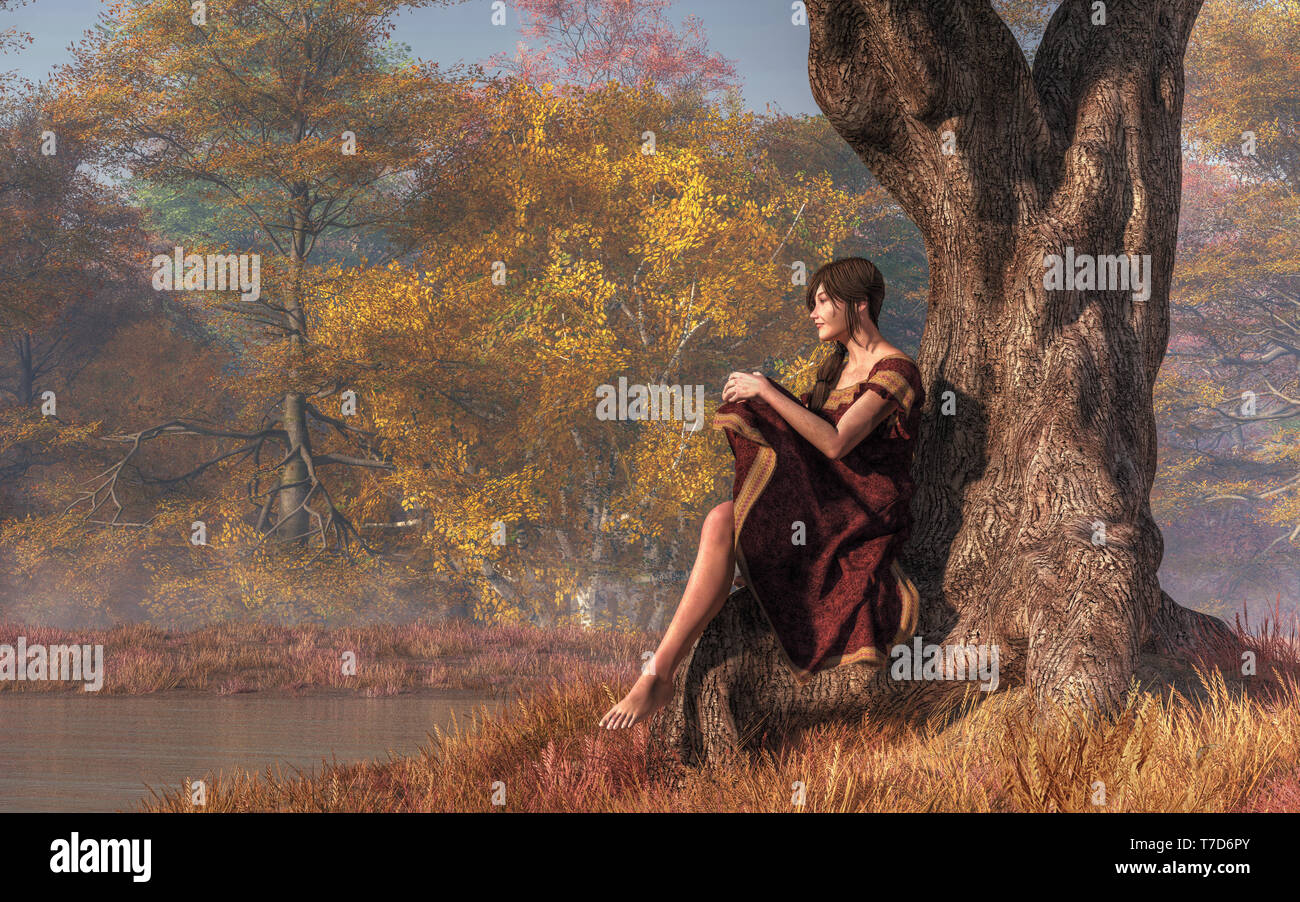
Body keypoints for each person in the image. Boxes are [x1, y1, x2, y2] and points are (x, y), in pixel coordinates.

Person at [598, 257, 924, 729]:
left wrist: (769, 392)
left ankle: (662, 670)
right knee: (718, 520)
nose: (814, 313)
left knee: (731, 514)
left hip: (862, 514)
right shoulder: (831, 370)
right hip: (826, 504)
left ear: (858, 304)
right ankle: (658, 672)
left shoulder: (896, 369)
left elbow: (835, 442)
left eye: (822, 302)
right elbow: (804, 447)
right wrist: (763, 399)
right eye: (812, 303)